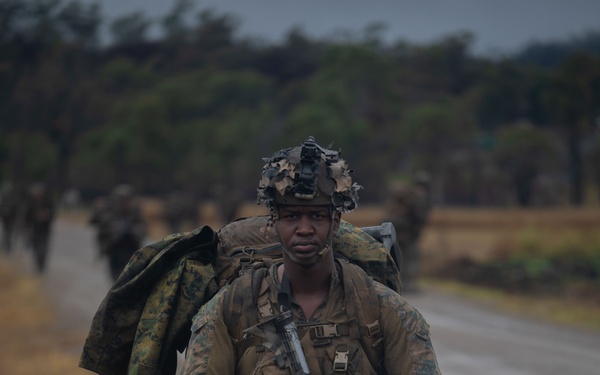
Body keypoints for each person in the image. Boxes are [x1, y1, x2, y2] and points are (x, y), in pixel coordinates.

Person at [180, 137, 440, 374]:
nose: (304, 229)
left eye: (317, 216)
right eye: (292, 216)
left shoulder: (383, 310)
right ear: (274, 222)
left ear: (335, 222)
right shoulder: (231, 308)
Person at [385, 171, 432, 293]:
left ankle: (400, 283)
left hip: (400, 232)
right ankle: (406, 284)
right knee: (410, 258)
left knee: (400, 257)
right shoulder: (417, 197)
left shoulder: (408, 196)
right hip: (407, 233)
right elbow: (419, 217)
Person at [23, 183, 55, 272]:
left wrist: (46, 216)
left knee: (43, 249)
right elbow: (26, 217)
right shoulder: (31, 203)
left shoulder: (48, 202)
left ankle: (42, 266)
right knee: (35, 248)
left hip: (45, 229)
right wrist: (26, 228)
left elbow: (53, 214)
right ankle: (38, 265)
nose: (37, 194)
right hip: (34, 229)